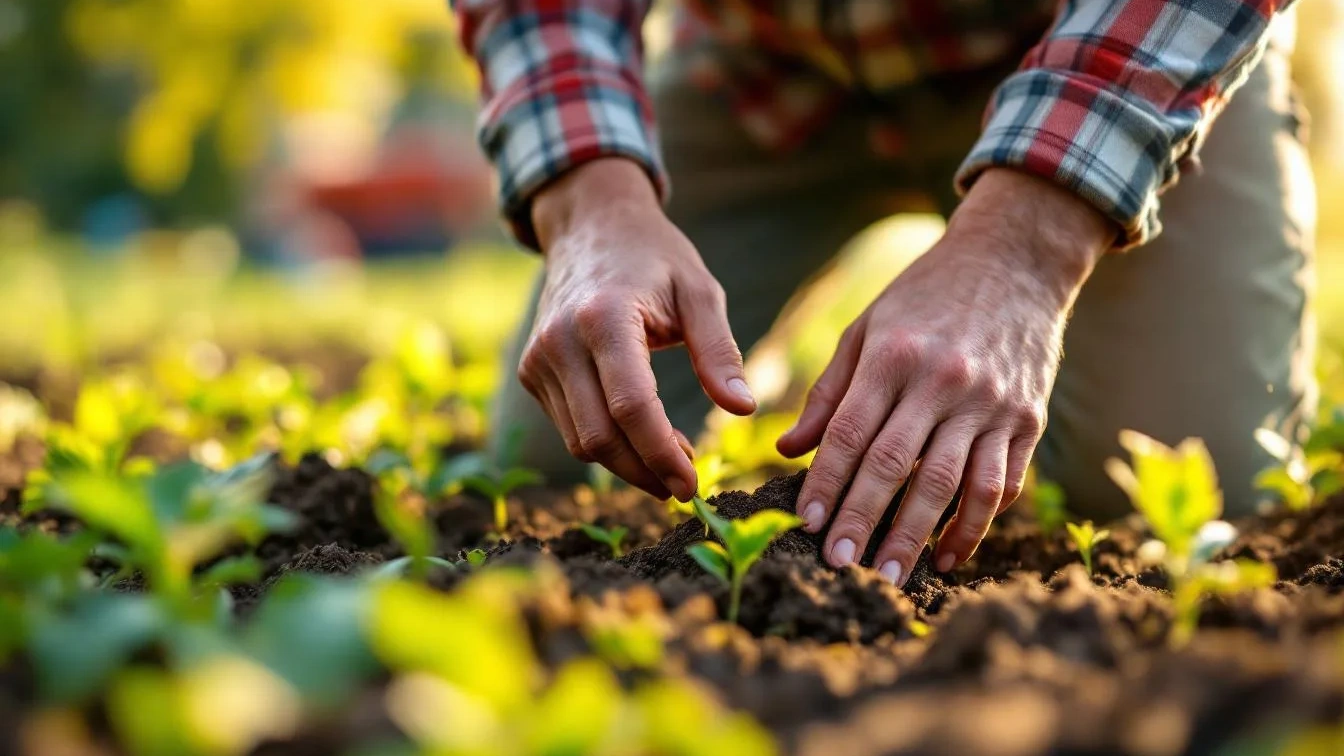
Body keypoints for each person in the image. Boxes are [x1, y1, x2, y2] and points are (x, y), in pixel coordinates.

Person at [455, 0, 1315, 587]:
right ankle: (788, 386)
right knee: (556, 451)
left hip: (1109, 54)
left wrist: (1025, 248)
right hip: (764, 75)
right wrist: (590, 205)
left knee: (1184, 481)